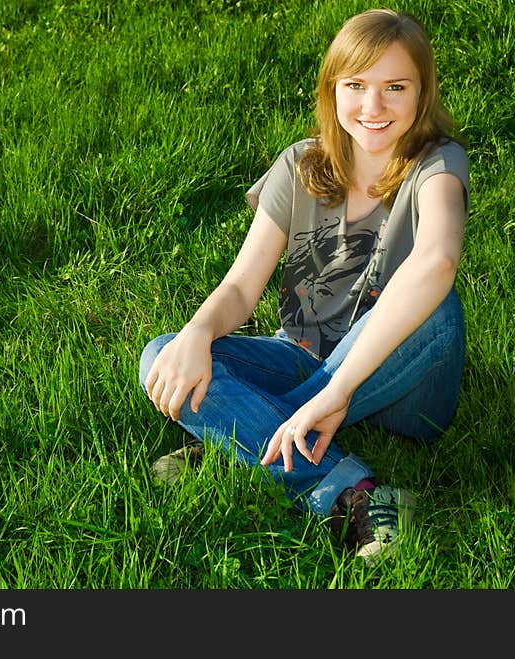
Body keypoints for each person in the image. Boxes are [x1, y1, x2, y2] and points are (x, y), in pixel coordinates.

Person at [138, 8, 469, 564]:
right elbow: (242, 289)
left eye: (395, 87)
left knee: (439, 306)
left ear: (422, 92)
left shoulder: (437, 165)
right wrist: (196, 332)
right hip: (302, 354)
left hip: (404, 380)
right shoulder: (300, 165)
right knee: (161, 355)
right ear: (332, 88)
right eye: (356, 86)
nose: (373, 106)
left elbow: (436, 260)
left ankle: (236, 440)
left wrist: (334, 393)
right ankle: (356, 494)